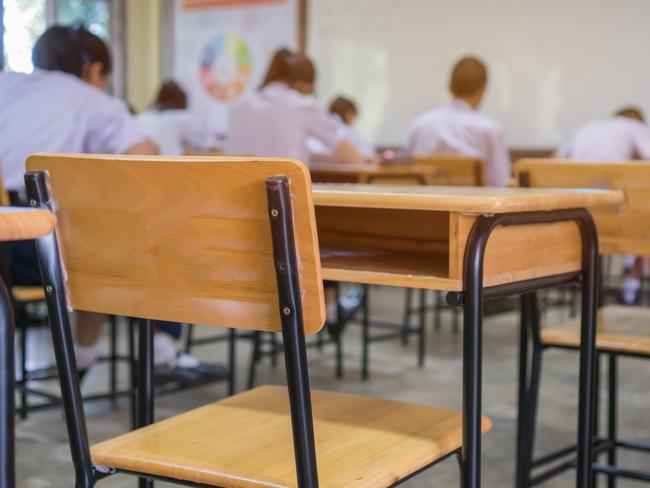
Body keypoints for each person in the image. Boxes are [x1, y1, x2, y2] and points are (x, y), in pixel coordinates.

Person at [0, 26, 219, 381]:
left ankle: (82, 356)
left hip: (8, 251)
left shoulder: (5, 85)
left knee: (89, 231)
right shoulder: (90, 99)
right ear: (93, 69)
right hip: (35, 250)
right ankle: (158, 351)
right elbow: (144, 157)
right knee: (146, 233)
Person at [557, 107, 650, 304]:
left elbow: (553, 161)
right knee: (644, 212)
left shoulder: (588, 128)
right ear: (639, 123)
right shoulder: (632, 127)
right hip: (610, 221)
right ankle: (631, 285)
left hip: (573, 219)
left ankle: (597, 287)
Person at [228, 49, 365, 165]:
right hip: (282, 193)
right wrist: (364, 160)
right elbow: (349, 154)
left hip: (237, 194)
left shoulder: (239, 105)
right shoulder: (299, 105)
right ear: (304, 85)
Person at [407, 56, 511, 187]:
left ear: (449, 87)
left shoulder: (419, 125)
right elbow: (500, 184)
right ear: (483, 90)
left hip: (426, 206)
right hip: (473, 206)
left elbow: (409, 178)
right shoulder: (491, 130)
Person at [134, 80, 216, 155]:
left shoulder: (142, 118)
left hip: (143, 167)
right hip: (171, 167)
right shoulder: (184, 118)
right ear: (183, 99)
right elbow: (212, 148)